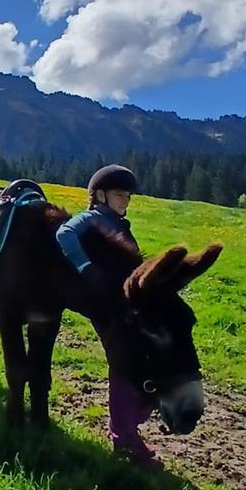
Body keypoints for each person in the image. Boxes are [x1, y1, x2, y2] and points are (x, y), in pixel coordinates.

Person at [56, 164, 162, 468]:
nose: (125, 200)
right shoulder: (92, 218)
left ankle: (131, 423)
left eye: (128, 195)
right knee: (124, 364)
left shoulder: (120, 223)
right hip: (107, 304)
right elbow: (65, 233)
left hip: (127, 303)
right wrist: (86, 268)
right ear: (100, 195)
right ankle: (123, 436)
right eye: (119, 194)